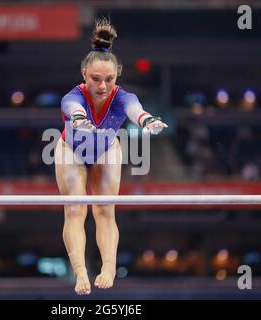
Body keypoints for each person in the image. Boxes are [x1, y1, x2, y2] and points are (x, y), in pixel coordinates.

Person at [55, 18, 168, 295]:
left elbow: (134, 109)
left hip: (106, 150)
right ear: (84, 74)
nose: (102, 85)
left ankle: (108, 267)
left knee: (105, 211)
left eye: (109, 79)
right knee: (75, 210)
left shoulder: (122, 97)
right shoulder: (75, 96)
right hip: (71, 151)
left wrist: (146, 121)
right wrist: (80, 117)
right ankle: (80, 272)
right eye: (95, 79)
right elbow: (69, 106)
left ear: (117, 76)